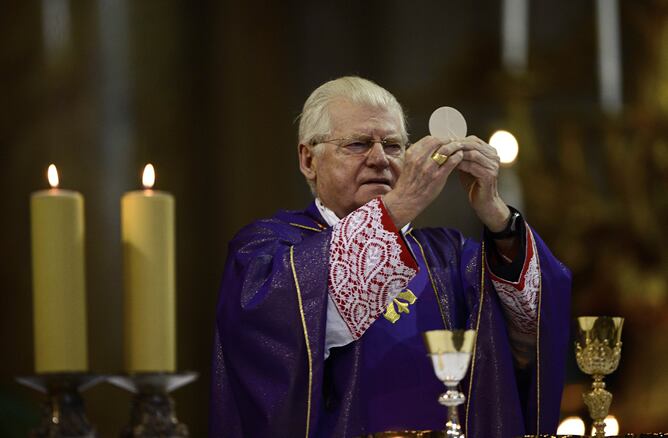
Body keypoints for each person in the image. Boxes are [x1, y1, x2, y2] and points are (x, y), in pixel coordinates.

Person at [210, 76, 571, 438]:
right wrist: (397, 208)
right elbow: (278, 346)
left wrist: (498, 219)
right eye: (357, 144)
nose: (380, 159)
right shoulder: (266, 252)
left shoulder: (449, 255)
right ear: (308, 159)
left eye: (394, 145)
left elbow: (533, 324)